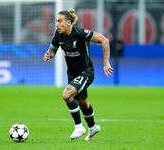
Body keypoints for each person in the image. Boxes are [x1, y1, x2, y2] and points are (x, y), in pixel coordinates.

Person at [43, 9, 113, 141]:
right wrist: (48, 55)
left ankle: (79, 127)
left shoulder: (80, 33)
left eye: (59, 21)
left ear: (69, 22)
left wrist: (106, 63)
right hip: (72, 74)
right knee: (83, 102)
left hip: (86, 72)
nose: (57, 24)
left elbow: (105, 40)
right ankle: (93, 127)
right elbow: (52, 50)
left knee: (67, 95)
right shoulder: (59, 35)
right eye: (56, 21)